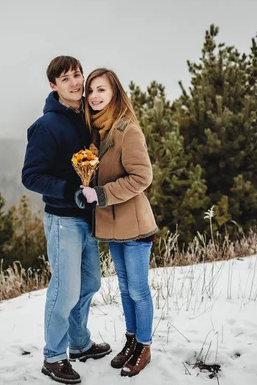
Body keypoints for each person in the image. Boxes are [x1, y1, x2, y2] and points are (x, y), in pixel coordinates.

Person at [21, 56, 112, 384]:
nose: (75, 83)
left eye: (77, 75)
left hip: (88, 217)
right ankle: (54, 357)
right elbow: (31, 176)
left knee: (90, 283)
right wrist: (68, 191)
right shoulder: (47, 126)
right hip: (63, 220)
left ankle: (79, 343)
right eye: (66, 79)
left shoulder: (86, 117)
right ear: (53, 86)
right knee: (64, 289)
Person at [80, 68, 158, 377]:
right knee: (124, 290)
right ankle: (130, 341)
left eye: (102, 90)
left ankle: (145, 345)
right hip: (113, 226)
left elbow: (142, 177)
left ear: (114, 93)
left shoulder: (128, 130)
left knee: (138, 290)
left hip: (135, 226)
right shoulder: (98, 133)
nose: (95, 96)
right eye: (91, 91)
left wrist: (100, 194)